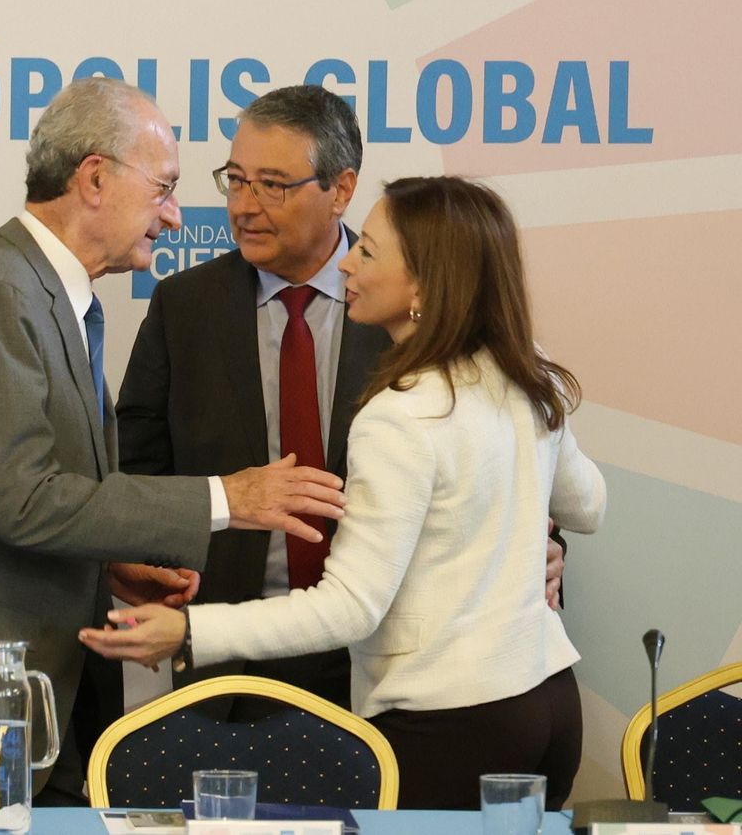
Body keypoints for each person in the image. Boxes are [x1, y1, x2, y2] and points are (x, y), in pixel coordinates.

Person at [0, 77, 349, 802]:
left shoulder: (49, 296)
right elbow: (28, 501)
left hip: (24, 692)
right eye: (165, 188)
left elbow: (37, 494)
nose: (174, 217)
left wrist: (110, 567)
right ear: (96, 178)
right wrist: (229, 498)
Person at [81, 176, 606, 810]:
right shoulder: (527, 372)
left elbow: (351, 607)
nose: (348, 261)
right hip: (547, 702)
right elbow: (586, 505)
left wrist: (189, 631)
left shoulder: (398, 417)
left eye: (371, 252)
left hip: (449, 723)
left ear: (424, 285)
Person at [117, 86, 565, 714]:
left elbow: (518, 452)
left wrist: (541, 548)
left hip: (388, 667)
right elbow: (138, 471)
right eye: (235, 180)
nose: (243, 207)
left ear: (341, 188)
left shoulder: (422, 308)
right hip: (231, 661)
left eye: (272, 185)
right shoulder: (184, 306)